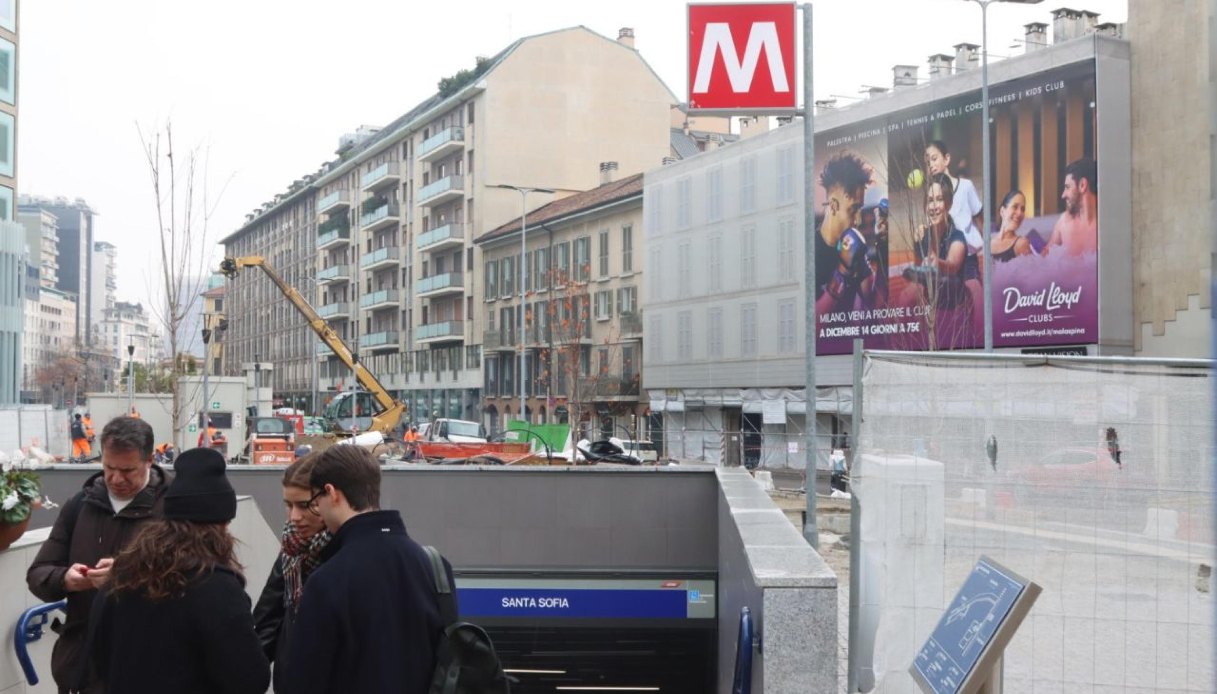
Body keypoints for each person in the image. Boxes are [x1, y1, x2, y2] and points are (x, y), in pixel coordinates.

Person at [89, 447, 270, 694]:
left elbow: (98, 656)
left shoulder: (122, 575)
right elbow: (250, 679)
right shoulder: (216, 587)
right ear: (219, 525)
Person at [284, 446, 450, 694]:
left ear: (331, 493)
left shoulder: (328, 580)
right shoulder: (434, 566)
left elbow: (302, 682)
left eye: (316, 501)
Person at [26, 416, 168, 694]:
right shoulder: (81, 504)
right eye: (108, 468)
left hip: (151, 666)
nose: (116, 478)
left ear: (149, 461)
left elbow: (199, 579)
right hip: (84, 669)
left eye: (128, 470)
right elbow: (38, 573)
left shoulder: (175, 508)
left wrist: (128, 576)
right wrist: (64, 580)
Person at [253, 453, 333, 694]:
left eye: (304, 505)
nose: (294, 517)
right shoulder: (292, 547)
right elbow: (268, 618)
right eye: (289, 505)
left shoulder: (346, 552)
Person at [814, 151, 874, 314]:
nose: (858, 220)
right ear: (833, 206)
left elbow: (876, 304)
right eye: (853, 209)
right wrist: (842, 272)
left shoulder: (853, 245)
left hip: (851, 340)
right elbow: (811, 326)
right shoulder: (810, 253)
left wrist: (881, 250)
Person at [924, 140, 984, 273]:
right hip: (944, 258)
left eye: (934, 159)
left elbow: (980, 220)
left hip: (968, 259)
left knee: (973, 290)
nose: (931, 165)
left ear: (947, 159)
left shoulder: (966, 186)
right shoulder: (931, 194)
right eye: (928, 163)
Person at [1043, 157, 1098, 257]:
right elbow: (1040, 263)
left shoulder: (1108, 227)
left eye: (1067, 187)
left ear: (1082, 185)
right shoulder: (1064, 223)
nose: (1063, 195)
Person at [992, 190, 1033, 262]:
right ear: (1002, 211)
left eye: (1022, 209)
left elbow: (1031, 272)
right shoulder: (987, 243)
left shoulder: (1021, 244)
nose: (1020, 213)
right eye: (1015, 207)